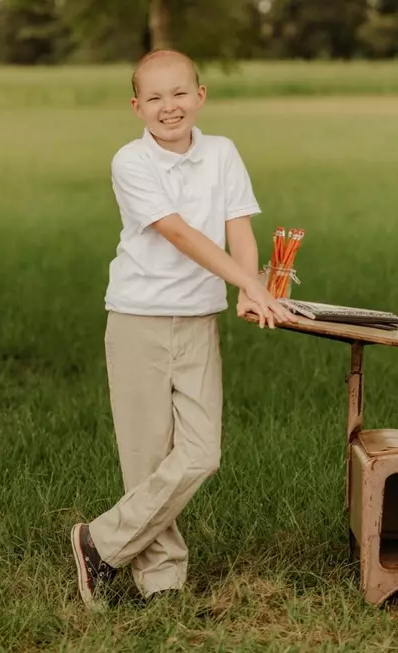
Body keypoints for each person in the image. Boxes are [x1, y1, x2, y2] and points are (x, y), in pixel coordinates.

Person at [70, 48, 296, 609]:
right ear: (136, 106)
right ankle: (162, 581)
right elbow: (181, 235)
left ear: (200, 95)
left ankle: (98, 541)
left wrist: (250, 283)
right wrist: (249, 283)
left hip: (198, 319)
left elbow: (237, 226)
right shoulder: (131, 162)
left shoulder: (222, 152)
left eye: (179, 94)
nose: (168, 107)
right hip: (138, 319)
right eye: (154, 98)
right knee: (147, 458)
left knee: (200, 453)